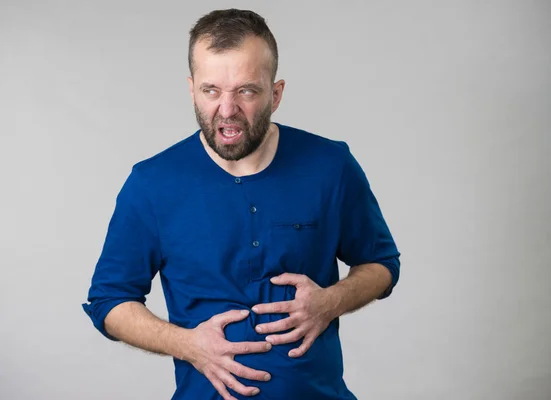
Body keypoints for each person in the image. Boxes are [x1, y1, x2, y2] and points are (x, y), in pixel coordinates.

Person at [82, 8, 400, 400]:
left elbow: (382, 263)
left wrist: (331, 301)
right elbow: (109, 300)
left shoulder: (330, 165)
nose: (227, 109)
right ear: (192, 88)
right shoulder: (151, 183)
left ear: (276, 93)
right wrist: (187, 344)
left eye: (246, 90)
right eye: (211, 90)